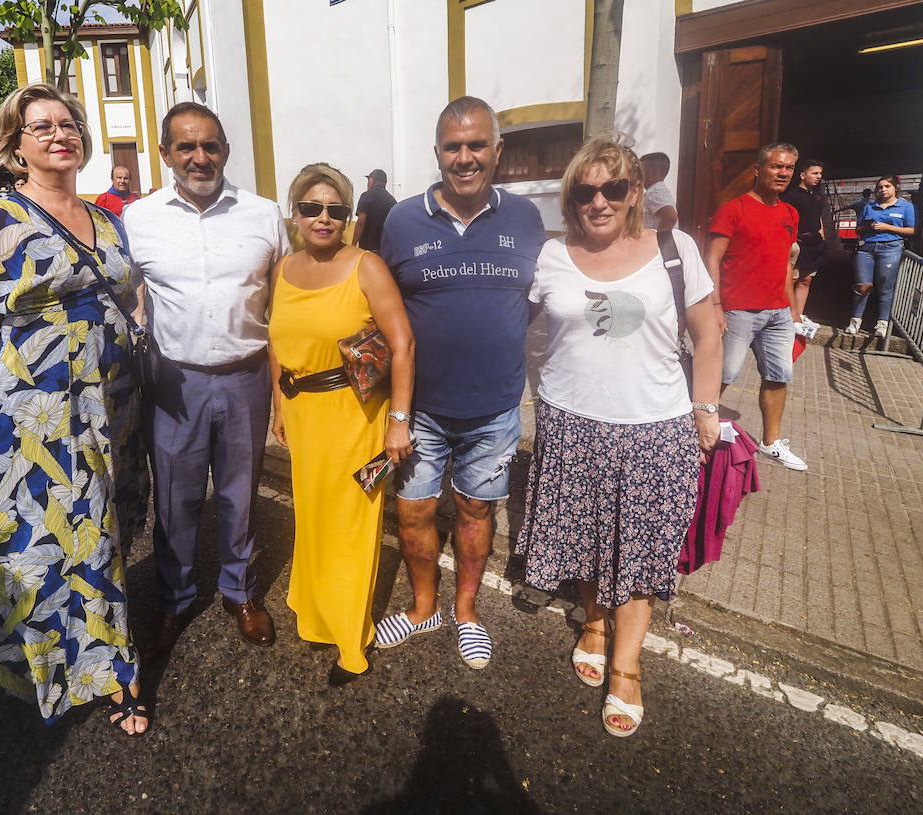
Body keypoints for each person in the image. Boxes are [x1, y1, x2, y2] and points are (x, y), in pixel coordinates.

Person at [0, 82, 151, 736]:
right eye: (42, 127)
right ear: (16, 145)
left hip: (115, 411)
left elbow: (129, 294)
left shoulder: (110, 218)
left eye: (68, 124)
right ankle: (120, 673)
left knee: (97, 536)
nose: (60, 135)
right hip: (44, 418)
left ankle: (83, 656)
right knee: (56, 542)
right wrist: (22, 404)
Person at [516, 135, 722, 738]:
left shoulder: (674, 248)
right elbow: (500, 321)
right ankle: (594, 622)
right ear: (571, 197)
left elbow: (709, 336)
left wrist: (705, 408)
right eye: (585, 190)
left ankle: (626, 665)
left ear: (635, 191)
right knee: (583, 535)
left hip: (655, 425)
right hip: (569, 420)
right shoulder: (552, 257)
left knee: (640, 547)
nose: (599, 201)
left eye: (613, 188)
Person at [376, 96, 546, 669]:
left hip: (495, 408)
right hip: (420, 408)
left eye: (477, 145)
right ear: (438, 153)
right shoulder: (402, 220)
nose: (465, 157)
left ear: (497, 152)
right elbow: (384, 309)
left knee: (477, 512)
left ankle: (466, 612)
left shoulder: (524, 218)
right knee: (415, 512)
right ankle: (424, 607)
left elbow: (538, 302)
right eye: (454, 147)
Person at [123, 101, 288, 654]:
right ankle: (174, 597)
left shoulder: (263, 215)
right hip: (174, 384)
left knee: (240, 495)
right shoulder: (138, 219)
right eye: (186, 147)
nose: (200, 157)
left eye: (210, 145)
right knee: (176, 497)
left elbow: (285, 302)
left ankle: (238, 590)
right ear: (167, 154)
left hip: (247, 379)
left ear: (225, 151)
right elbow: (121, 299)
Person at [268, 163, 415, 685]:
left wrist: (399, 422)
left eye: (336, 210)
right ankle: (315, 611)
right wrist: (278, 404)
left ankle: (351, 642)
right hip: (305, 416)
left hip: (356, 417)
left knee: (352, 525)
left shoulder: (366, 266)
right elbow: (277, 341)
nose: (323, 218)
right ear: (295, 214)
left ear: (351, 217)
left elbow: (402, 345)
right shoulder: (283, 269)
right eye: (312, 208)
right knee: (312, 516)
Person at [704, 143, 807, 472]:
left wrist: (792, 310)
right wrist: (715, 305)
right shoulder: (734, 209)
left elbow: (785, 266)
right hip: (737, 309)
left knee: (778, 377)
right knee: (722, 374)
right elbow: (712, 260)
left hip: (777, 313)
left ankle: (771, 442)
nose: (783, 173)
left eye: (789, 168)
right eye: (777, 166)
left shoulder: (790, 213)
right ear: (758, 169)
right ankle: (693, 431)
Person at [847, 174, 916, 339]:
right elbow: (857, 230)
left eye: (887, 186)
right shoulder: (869, 207)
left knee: (885, 288)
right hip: (866, 249)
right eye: (880, 187)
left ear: (896, 187)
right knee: (862, 287)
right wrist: (868, 227)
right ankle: (855, 322)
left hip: (891, 248)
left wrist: (887, 227)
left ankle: (882, 324)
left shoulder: (906, 207)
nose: (883, 190)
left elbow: (912, 230)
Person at [780, 159, 827, 325]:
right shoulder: (790, 196)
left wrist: (822, 236)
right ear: (802, 175)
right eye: (815, 173)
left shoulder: (819, 197)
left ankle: (798, 317)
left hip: (815, 244)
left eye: (820, 173)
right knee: (790, 281)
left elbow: (818, 218)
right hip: (797, 244)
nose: (819, 176)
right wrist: (791, 244)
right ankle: (785, 317)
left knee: (806, 280)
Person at [352, 168, 396, 252]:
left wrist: (353, 245)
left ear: (371, 181)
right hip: (385, 251)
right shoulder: (392, 200)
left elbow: (361, 223)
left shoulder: (366, 196)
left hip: (368, 250)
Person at [640, 152, 678, 232]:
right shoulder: (659, 190)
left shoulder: (654, 192)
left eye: (641, 171)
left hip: (658, 242)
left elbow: (671, 217)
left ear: (653, 172)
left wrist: (658, 238)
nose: (639, 175)